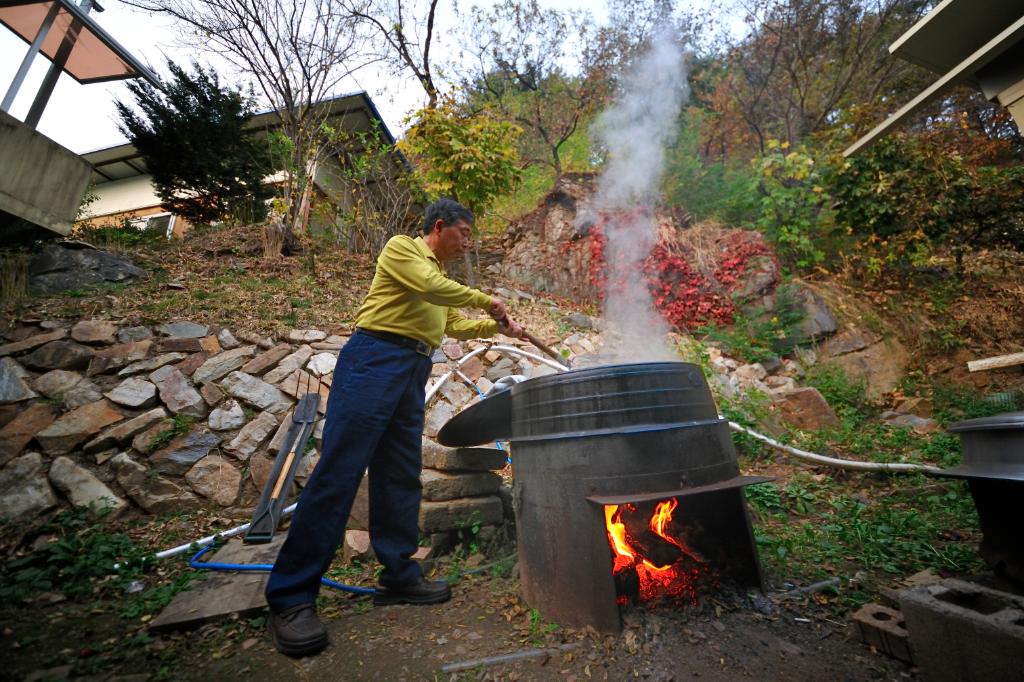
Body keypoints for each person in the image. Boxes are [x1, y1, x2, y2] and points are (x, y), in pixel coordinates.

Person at [265, 198, 525, 657]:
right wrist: (487, 298)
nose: (467, 243)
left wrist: (496, 326)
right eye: (463, 233)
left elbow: (453, 326)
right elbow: (430, 285)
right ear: (439, 227)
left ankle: (399, 575)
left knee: (400, 472)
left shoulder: (442, 283)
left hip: (411, 370)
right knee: (340, 472)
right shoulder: (403, 249)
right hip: (375, 359)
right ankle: (291, 598)